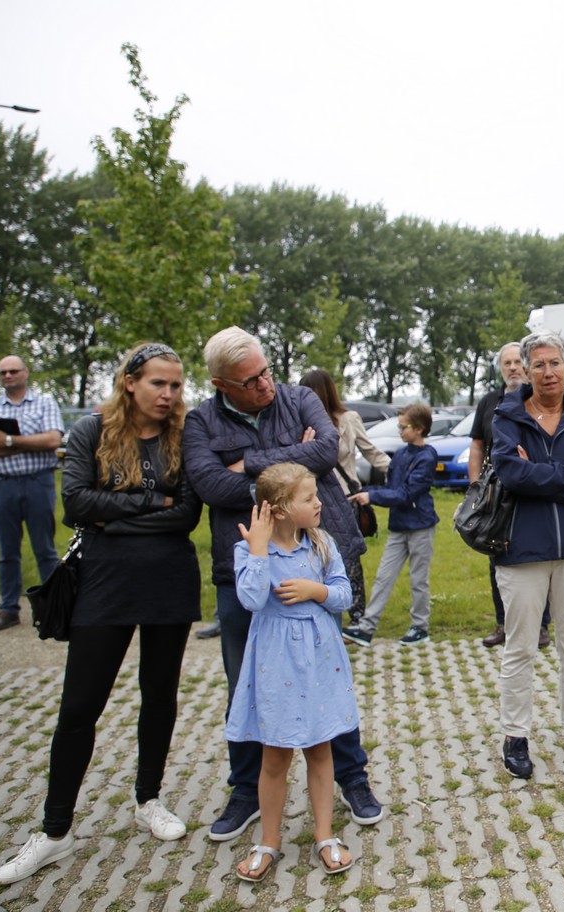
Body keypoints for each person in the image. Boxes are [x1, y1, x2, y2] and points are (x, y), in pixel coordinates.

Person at [0, 343, 202, 884]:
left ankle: (148, 799)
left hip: (168, 582)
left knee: (160, 694)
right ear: (130, 381)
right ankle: (54, 829)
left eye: (176, 385)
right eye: (158, 383)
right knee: (80, 705)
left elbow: (186, 515)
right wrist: (152, 503)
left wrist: (119, 515)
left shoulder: (184, 435)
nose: (168, 394)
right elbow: (77, 505)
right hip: (105, 583)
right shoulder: (92, 430)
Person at [182, 326, 383, 841]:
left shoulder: (298, 399)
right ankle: (247, 790)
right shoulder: (201, 422)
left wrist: (249, 465)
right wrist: (293, 456)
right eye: (250, 381)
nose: (265, 384)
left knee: (326, 678)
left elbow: (326, 452)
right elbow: (210, 484)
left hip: (313, 556)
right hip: (247, 565)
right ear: (221, 384)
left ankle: (352, 777)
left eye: (266, 371)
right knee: (247, 682)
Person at [491, 330, 564, 779]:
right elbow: (511, 475)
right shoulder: (507, 417)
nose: (548, 372)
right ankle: (515, 735)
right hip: (522, 549)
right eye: (539, 364)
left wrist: (539, 474)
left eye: (555, 363)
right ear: (526, 370)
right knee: (520, 647)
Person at [227, 463, 358, 880]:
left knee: (320, 749)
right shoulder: (250, 551)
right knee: (275, 756)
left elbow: (344, 594)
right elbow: (250, 599)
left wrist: (316, 591)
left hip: (318, 660)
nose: (319, 503)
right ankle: (269, 841)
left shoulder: (321, 544)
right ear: (279, 510)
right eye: (309, 498)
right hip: (276, 665)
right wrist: (259, 551)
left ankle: (324, 834)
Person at [0, 355, 63, 632]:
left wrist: (9, 441)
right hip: (2, 485)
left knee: (45, 549)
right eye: (2, 373)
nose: (8, 376)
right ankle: (8, 609)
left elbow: (52, 440)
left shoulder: (44, 403)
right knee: (6, 551)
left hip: (38, 483)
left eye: (13, 371)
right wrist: (29, 444)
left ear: (25, 373)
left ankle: (55, 608)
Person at [471, 342, 551, 649]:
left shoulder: (538, 399)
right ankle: (503, 622)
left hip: (533, 489)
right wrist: (475, 486)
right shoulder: (489, 402)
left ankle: (541, 625)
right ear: (501, 368)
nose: (513, 367)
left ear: (526, 366)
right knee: (498, 558)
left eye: (518, 362)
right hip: (496, 494)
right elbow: (478, 444)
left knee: (539, 556)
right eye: (507, 363)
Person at [299, 368, 391, 623]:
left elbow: (370, 451)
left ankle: (357, 613)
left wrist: (402, 470)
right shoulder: (301, 422)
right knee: (316, 553)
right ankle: (323, 605)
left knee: (348, 555)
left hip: (345, 497)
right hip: (313, 497)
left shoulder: (348, 419)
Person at [344, 403, 438, 646]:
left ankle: (420, 628)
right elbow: (392, 489)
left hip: (420, 527)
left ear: (419, 429)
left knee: (418, 580)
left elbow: (407, 494)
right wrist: (366, 491)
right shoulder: (401, 455)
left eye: (403, 427)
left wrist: (372, 496)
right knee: (383, 577)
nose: (400, 431)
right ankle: (366, 628)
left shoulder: (427, 457)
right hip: (398, 527)